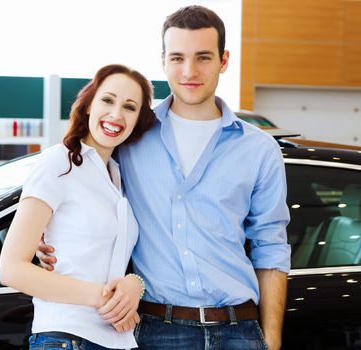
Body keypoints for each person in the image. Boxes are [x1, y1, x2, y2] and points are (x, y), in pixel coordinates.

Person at [37, 5, 291, 350]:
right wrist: (44, 235)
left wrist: (271, 341)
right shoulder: (131, 137)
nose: (189, 71)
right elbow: (82, 190)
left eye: (203, 57)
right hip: (157, 330)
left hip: (239, 330)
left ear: (224, 60)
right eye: (177, 58)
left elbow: (271, 246)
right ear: (163, 61)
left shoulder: (259, 149)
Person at [0, 64, 156, 350]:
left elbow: (107, 258)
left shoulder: (119, 177)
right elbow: (12, 269)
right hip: (66, 337)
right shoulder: (59, 163)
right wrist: (102, 297)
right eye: (107, 100)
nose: (116, 114)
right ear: (88, 105)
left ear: (138, 120)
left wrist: (134, 284)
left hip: (116, 340)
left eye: (129, 107)